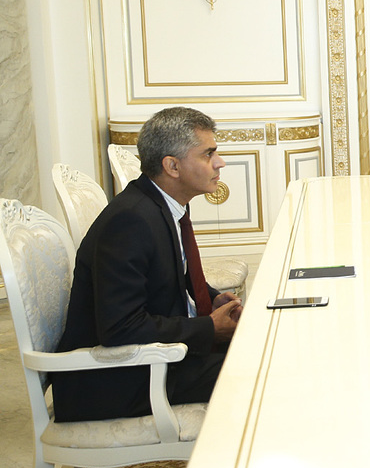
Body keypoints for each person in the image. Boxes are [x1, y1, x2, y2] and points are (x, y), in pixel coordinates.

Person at [53, 107, 243, 421]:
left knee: (265, 349)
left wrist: (211, 300)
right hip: (120, 381)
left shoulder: (164, 204)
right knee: (263, 371)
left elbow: (173, 277)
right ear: (172, 166)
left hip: (157, 359)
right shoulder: (131, 220)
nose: (219, 162)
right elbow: (120, 328)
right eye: (208, 154)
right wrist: (208, 328)